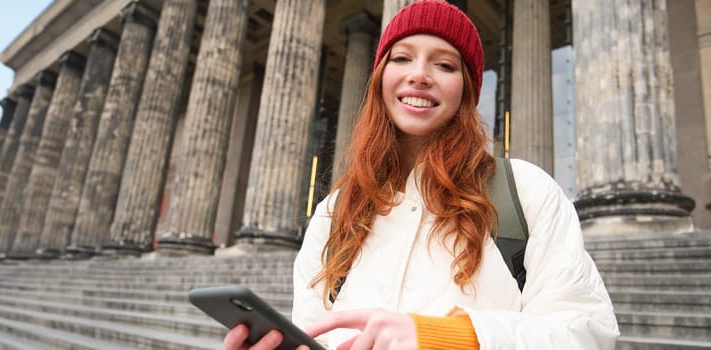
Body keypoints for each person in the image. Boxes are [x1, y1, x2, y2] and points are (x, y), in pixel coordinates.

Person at [224, 1, 618, 349]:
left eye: (444, 65)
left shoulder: (527, 192)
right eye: (401, 58)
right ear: (380, 78)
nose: (419, 75)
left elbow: (587, 334)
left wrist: (450, 339)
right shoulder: (333, 213)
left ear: (467, 89)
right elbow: (317, 332)